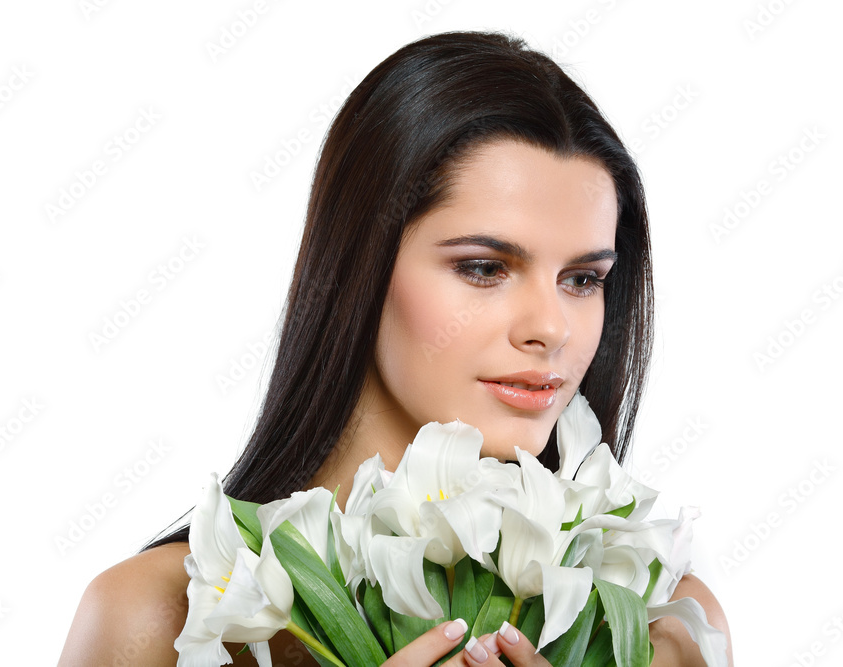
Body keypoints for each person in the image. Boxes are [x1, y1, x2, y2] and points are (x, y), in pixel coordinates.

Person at [59, 30, 734, 666]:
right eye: (483, 267)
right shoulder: (158, 615)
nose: (552, 327)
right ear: (363, 267)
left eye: (583, 279)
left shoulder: (662, 627)